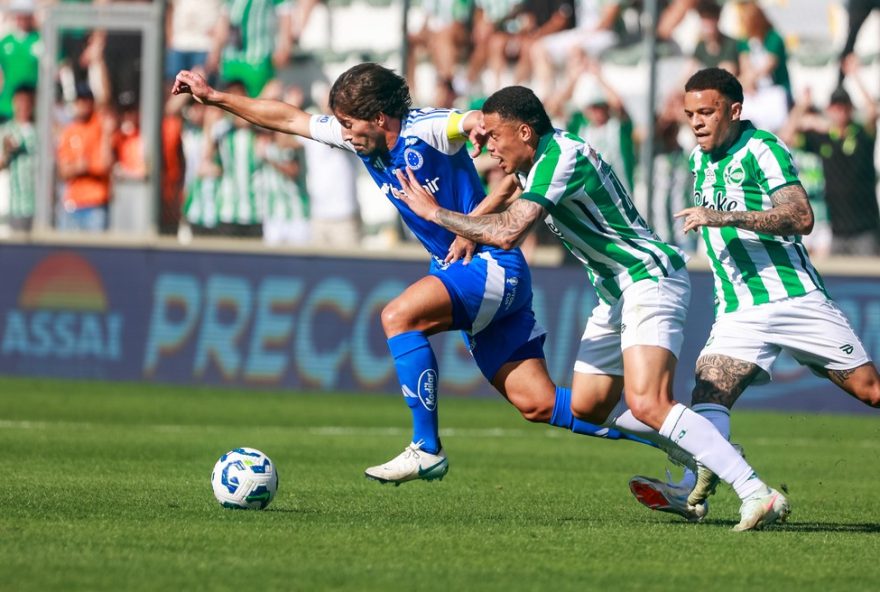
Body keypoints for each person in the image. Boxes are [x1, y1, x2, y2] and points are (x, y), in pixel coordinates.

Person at [172, 63, 659, 487]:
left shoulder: (425, 129)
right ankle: (672, 437)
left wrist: (475, 130)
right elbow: (288, 118)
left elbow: (473, 128)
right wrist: (215, 98)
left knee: (398, 316)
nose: (342, 133)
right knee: (538, 402)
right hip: (467, 270)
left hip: (488, 266)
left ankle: (426, 448)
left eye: (348, 123)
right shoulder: (361, 142)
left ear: (380, 118)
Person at [394, 84, 790, 531]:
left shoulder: (561, 158)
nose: (486, 147)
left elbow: (508, 231)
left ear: (524, 132)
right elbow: (508, 187)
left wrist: (436, 215)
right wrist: (469, 229)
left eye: (494, 137)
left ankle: (755, 490)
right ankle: (705, 446)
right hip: (613, 290)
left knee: (647, 401)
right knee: (586, 406)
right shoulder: (535, 155)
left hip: (647, 276)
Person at [626, 67, 880, 522]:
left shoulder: (762, 149)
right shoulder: (699, 159)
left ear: (735, 110)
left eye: (707, 112)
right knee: (709, 393)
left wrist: (725, 217)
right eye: (691, 115)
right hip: (738, 308)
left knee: (870, 390)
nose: (698, 122)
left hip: (794, 299)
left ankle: (697, 484)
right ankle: (692, 490)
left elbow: (800, 217)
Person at [780, 57, 879, 256]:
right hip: (837, 230)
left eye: (843, 107)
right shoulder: (824, 138)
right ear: (829, 110)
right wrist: (802, 105)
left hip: (866, 229)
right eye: (835, 107)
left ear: (850, 109)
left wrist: (855, 76)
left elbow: (873, 112)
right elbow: (786, 136)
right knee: (838, 283)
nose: (840, 112)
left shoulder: (860, 135)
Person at [0, 84, 37, 231]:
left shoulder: (40, 130)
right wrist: (7, 151)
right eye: (19, 102)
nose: (23, 106)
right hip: (15, 205)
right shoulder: (6, 131)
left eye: (26, 102)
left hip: (38, 206)